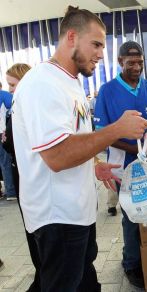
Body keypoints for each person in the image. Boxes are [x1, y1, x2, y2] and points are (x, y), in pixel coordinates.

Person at [12, 7, 147, 292]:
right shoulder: (42, 83)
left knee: (82, 280)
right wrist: (116, 129)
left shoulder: (71, 82)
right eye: (97, 44)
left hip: (76, 210)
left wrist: (92, 164)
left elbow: (73, 139)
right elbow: (58, 155)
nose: (101, 53)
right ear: (72, 37)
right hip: (57, 215)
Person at [94, 40, 147, 288]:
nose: (136, 66)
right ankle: (131, 263)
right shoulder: (108, 91)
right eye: (130, 62)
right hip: (123, 166)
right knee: (132, 217)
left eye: (140, 62)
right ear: (120, 62)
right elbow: (103, 133)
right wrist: (136, 149)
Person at [3, 63, 42, 291]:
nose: (10, 90)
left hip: (29, 176)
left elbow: (13, 143)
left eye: (13, 85)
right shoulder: (19, 106)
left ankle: (43, 277)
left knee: (35, 229)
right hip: (24, 174)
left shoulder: (28, 107)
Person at [0, 87, 16, 201]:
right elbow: (15, 106)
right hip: (2, 132)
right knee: (6, 163)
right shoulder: (4, 95)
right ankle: (11, 192)